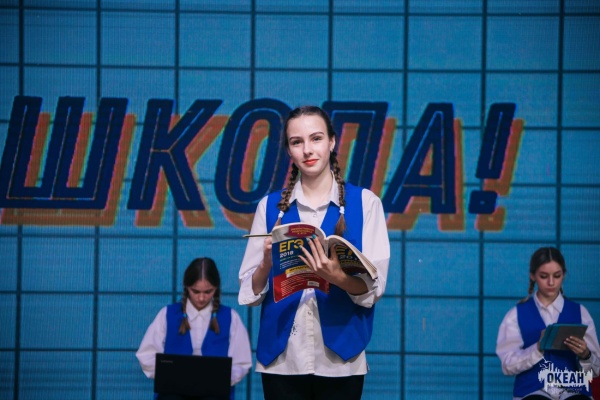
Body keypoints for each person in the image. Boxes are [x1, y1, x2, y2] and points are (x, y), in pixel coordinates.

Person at [238, 105, 390, 400]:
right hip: (282, 360)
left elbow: (375, 289)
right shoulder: (269, 207)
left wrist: (337, 277)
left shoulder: (366, 203)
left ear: (332, 142)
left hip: (341, 361)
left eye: (316, 138)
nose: (307, 150)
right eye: (297, 142)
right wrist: (266, 263)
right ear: (289, 150)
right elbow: (249, 293)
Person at [137, 257, 252, 400]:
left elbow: (241, 362)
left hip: (215, 395)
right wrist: (169, 377)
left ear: (216, 288)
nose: (202, 298)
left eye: (208, 292)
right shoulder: (167, 314)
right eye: (196, 291)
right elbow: (146, 354)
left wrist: (219, 380)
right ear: (186, 287)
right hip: (172, 394)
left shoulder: (231, 317)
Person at [496, 247, 600, 399]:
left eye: (557, 276)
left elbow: (595, 371)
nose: (551, 282)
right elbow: (507, 366)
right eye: (544, 276)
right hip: (532, 392)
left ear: (563, 275)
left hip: (574, 391)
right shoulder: (515, 315)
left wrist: (585, 355)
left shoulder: (580, 312)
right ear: (533, 276)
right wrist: (537, 348)